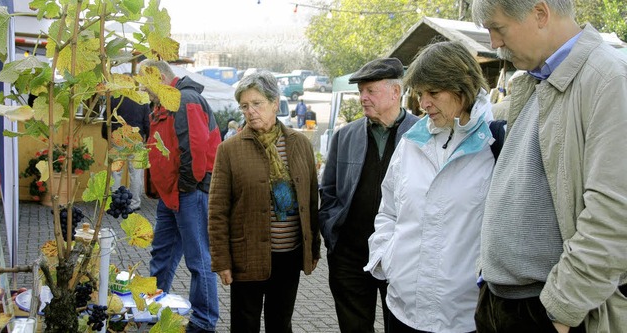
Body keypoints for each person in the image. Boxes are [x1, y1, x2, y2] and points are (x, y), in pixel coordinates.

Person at [471, 1, 627, 332]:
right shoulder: (535, 79)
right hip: (504, 302)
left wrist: (560, 310)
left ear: (540, 13)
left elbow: (615, 215)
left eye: (497, 28)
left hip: (549, 309)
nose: (495, 43)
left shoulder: (610, 79)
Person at [364, 41, 495, 333]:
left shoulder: (496, 144)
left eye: (433, 93)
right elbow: (388, 212)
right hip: (403, 310)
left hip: (465, 318)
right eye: (421, 94)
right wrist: (387, 260)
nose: (424, 104)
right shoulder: (412, 141)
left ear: (464, 87)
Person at [208, 71, 321, 333]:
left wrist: (313, 248)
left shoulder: (299, 144)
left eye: (257, 104)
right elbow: (217, 210)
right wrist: (222, 260)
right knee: (244, 325)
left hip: (289, 257)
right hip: (246, 256)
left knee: (280, 324)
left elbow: (311, 200)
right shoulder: (229, 149)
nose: (250, 111)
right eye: (245, 106)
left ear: (274, 102)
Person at [319, 58, 419, 333]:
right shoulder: (345, 136)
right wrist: (331, 233)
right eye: (360, 91)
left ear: (396, 92)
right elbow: (327, 191)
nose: (363, 97)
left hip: (401, 256)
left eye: (370, 91)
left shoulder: (422, 135)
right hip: (350, 256)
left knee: (399, 327)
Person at [141, 60, 221, 333]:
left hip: (190, 193)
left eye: (145, 81)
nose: (142, 87)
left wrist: (185, 189)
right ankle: (151, 309)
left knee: (199, 260)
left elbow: (196, 151)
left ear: (160, 76)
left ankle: (203, 322)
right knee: (161, 254)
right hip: (171, 195)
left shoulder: (185, 100)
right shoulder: (161, 105)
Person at [101, 96, 151, 210]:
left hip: (118, 137)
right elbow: (147, 122)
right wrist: (148, 138)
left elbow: (106, 119)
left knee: (115, 172)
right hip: (137, 139)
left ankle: (115, 201)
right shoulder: (142, 99)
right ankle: (134, 203)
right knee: (136, 173)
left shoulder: (114, 97)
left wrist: (107, 137)